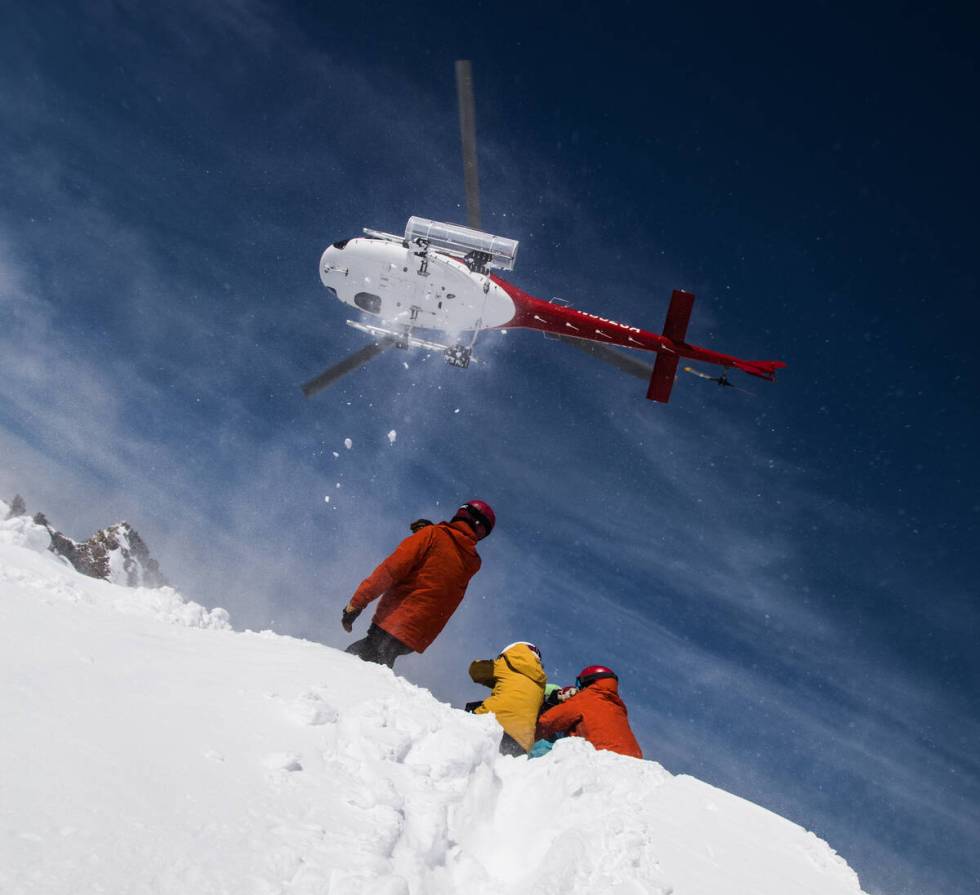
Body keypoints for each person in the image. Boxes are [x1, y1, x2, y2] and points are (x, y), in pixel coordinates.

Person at [341, 500, 495, 668]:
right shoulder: (470, 562)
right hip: (416, 636)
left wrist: (356, 603)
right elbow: (443, 563)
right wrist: (431, 534)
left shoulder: (432, 535)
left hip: (394, 620)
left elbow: (390, 570)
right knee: (379, 663)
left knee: (353, 662)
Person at [534, 665, 643, 759]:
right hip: (634, 762)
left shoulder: (586, 698)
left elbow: (548, 721)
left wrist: (530, 737)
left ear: (587, 681)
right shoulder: (617, 708)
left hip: (602, 756)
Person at [467, 641, 547, 756]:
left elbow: (475, 670)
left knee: (470, 709)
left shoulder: (506, 662)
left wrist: (494, 667)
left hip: (494, 725)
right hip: (522, 743)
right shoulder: (541, 684)